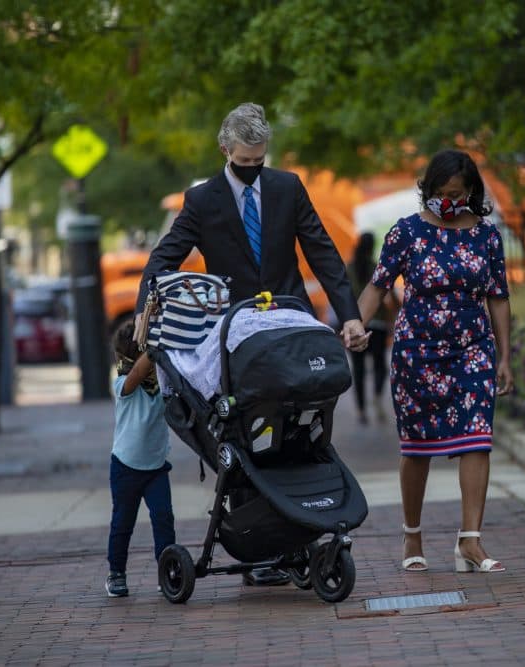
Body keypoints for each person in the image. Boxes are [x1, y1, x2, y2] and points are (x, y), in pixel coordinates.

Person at [136, 102, 369, 587]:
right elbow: (165, 256)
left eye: (260, 161)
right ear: (225, 150)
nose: (253, 169)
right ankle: (260, 544)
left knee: (299, 426)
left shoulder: (287, 187)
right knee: (242, 431)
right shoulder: (202, 200)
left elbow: (322, 251)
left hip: (288, 326)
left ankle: (300, 532)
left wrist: (349, 316)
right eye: (245, 162)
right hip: (237, 336)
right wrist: (146, 305)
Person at [357, 149, 514, 574]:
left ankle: (471, 542)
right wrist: (356, 324)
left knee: (478, 436)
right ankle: (412, 534)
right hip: (417, 352)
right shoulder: (406, 233)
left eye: (457, 193)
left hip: (472, 348)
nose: (448, 201)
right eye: (441, 193)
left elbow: (498, 297)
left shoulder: (486, 236)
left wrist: (504, 357)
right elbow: (378, 285)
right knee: (417, 446)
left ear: (471, 193)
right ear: (428, 190)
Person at [106, 321, 175, 598]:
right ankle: (116, 573)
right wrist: (157, 345)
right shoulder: (123, 384)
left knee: (163, 518)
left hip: (156, 467)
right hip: (125, 467)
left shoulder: (162, 387)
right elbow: (136, 373)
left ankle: (168, 569)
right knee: (123, 522)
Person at [346, 232, 397, 424]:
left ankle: (360, 410)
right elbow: (390, 296)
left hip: (355, 324)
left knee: (358, 369)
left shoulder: (349, 268)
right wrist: (394, 317)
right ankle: (376, 395)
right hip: (378, 324)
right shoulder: (377, 267)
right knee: (380, 367)